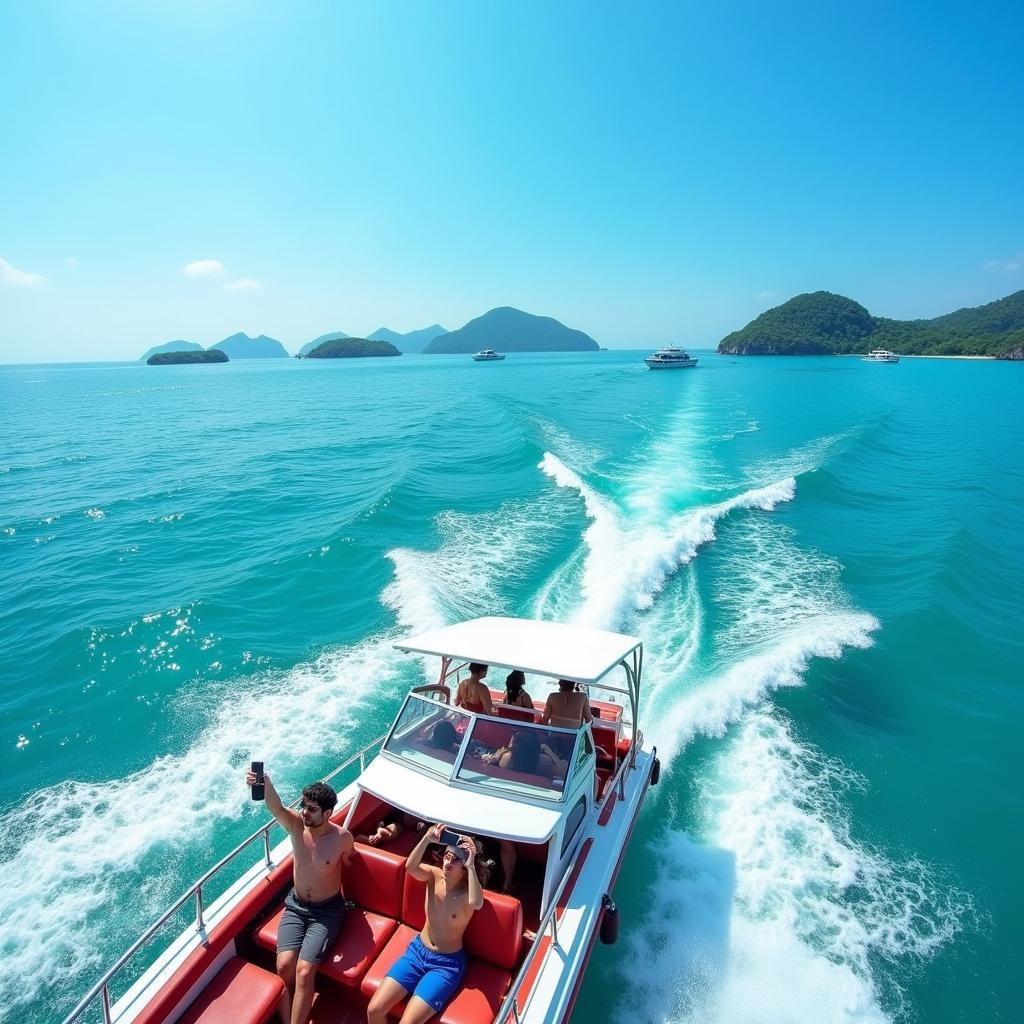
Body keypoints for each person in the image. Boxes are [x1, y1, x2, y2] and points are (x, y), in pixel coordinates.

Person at [245, 767, 354, 1024]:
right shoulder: (296, 826)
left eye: (312, 809)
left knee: (305, 973)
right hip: (295, 906)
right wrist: (265, 784)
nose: (305, 812)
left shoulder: (342, 838)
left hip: (326, 912)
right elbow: (277, 808)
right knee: (284, 967)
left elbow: (351, 864)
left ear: (328, 813)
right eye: (304, 805)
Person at [366, 823, 484, 1024]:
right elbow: (410, 866)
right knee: (374, 1010)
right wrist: (427, 839)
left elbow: (477, 903)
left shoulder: (467, 894)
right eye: (447, 856)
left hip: (446, 965)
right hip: (417, 952)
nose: (447, 862)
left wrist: (472, 865)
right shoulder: (433, 876)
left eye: (455, 860)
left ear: (464, 869)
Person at [483, 729, 567, 777]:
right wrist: (549, 751)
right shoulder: (545, 762)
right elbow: (563, 772)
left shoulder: (506, 759)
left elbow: (491, 762)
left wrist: (501, 753)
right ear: (537, 745)